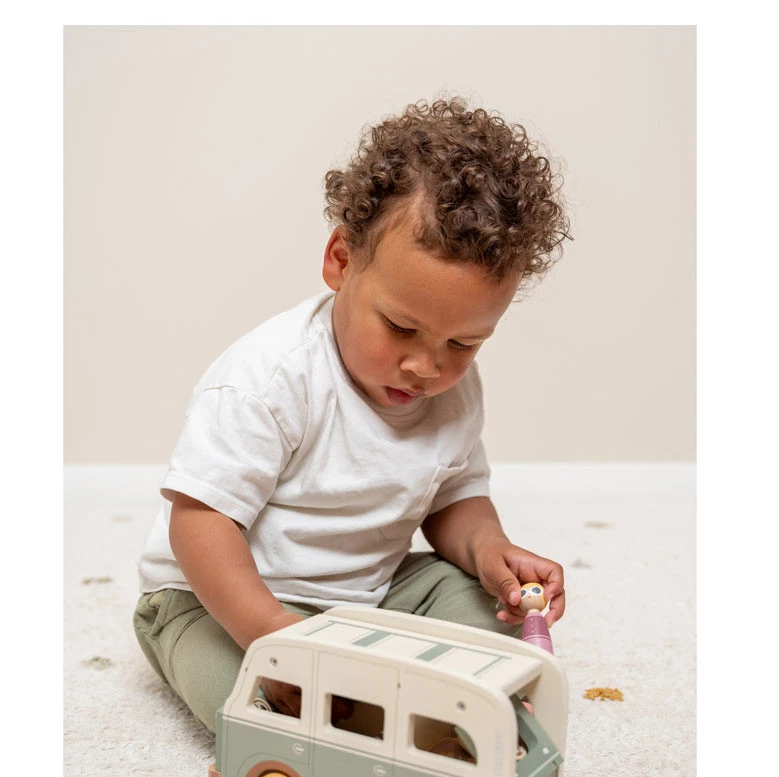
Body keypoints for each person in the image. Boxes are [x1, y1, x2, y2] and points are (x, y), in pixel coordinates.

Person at [133, 97, 572, 735]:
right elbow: (200, 523)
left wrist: (489, 550)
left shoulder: (454, 389)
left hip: (372, 590)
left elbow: (453, 498)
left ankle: (442, 702)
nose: (426, 367)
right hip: (220, 597)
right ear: (341, 260)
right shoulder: (271, 378)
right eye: (400, 327)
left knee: (485, 621)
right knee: (252, 710)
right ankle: (318, 707)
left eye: (462, 342)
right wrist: (275, 637)